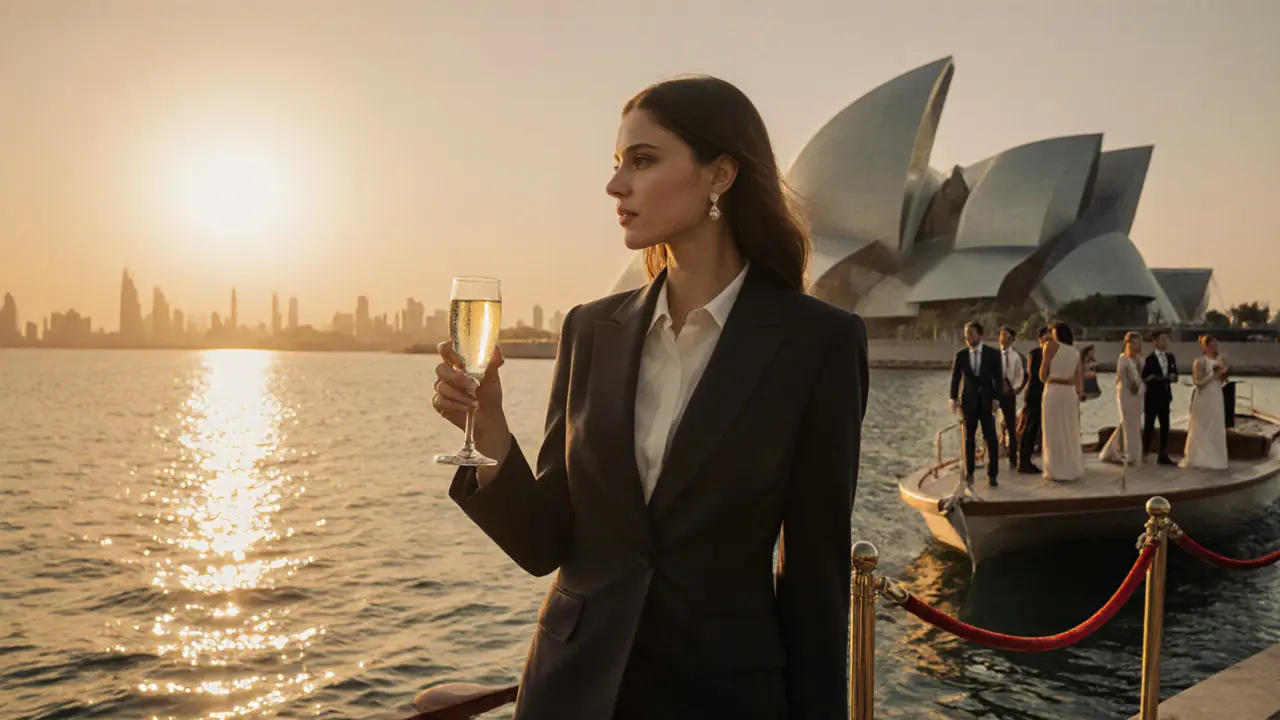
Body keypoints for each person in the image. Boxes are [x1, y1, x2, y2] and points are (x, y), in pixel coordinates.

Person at [431, 75, 869, 720]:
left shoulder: (818, 343)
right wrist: (489, 428)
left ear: (720, 174)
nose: (615, 186)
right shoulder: (590, 328)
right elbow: (545, 543)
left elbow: (814, 580)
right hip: (568, 691)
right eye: (617, 164)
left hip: (722, 696)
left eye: (642, 160)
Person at [949, 321, 1002, 487]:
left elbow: (998, 379)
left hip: (987, 402)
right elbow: (955, 379)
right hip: (968, 402)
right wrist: (953, 399)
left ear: (979, 334)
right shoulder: (961, 355)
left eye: (971, 334)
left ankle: (992, 475)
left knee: (991, 439)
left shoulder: (992, 354)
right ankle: (969, 472)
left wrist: (996, 399)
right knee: (968, 440)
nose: (968, 338)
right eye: (965, 334)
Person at [1040, 321, 1085, 481]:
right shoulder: (1075, 352)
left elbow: (1042, 374)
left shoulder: (1050, 346)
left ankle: (1055, 468)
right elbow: (1079, 380)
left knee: (1053, 430)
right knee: (1069, 430)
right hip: (1069, 393)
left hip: (1053, 390)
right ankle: (1071, 467)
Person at [1180, 335, 1230, 470]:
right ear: (1205, 346)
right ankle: (1198, 457)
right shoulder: (1200, 362)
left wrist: (1224, 373)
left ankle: (1216, 457)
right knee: (1202, 425)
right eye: (1212, 345)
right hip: (1204, 396)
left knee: (1215, 424)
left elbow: (1222, 380)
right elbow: (1198, 382)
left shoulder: (1219, 361)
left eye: (1216, 345)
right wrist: (1211, 375)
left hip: (1216, 395)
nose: (1215, 348)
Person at [1100, 332, 1145, 466]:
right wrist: (1133, 385)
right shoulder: (1123, 358)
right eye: (1134, 342)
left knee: (1134, 423)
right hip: (1126, 393)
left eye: (1138, 343)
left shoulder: (1139, 359)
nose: (1136, 345)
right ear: (1128, 343)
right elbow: (1123, 376)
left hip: (1138, 393)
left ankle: (1115, 449)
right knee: (1127, 422)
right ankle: (1129, 454)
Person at [1017, 326, 1050, 474]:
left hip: (1044, 394)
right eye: (1047, 338)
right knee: (1030, 427)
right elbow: (1034, 374)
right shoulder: (1035, 353)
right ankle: (1024, 460)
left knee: (1036, 427)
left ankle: (1028, 458)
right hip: (1034, 394)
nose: (1049, 342)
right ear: (1040, 339)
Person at [1142, 329, 1178, 465]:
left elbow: (1175, 373)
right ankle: (1145, 452)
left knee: (1165, 425)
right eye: (1163, 339)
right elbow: (1144, 376)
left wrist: (1173, 377)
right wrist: (1155, 378)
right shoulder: (1149, 359)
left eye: (1167, 339)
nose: (1165, 342)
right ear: (1155, 342)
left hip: (1165, 395)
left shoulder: (1170, 357)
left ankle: (1163, 453)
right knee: (1149, 426)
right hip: (1152, 396)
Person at [997, 326, 1025, 469]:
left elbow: (1020, 375)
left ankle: (1013, 458)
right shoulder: (994, 355)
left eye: (1005, 334)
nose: (1002, 337)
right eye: (1001, 334)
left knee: (1011, 426)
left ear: (1011, 338)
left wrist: (1015, 388)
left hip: (1009, 394)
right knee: (989, 424)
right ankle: (991, 455)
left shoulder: (1016, 357)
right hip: (995, 393)